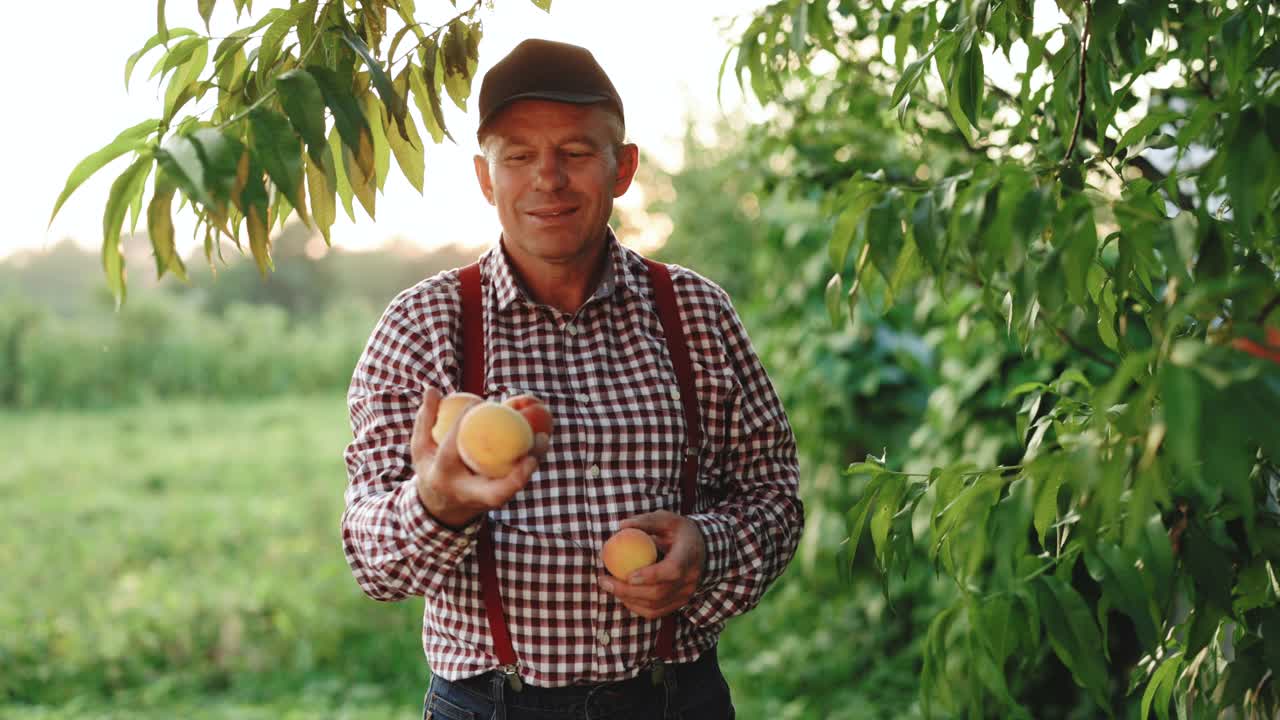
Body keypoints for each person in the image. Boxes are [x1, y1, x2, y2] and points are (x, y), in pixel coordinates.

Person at [341, 38, 803, 719]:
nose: (548, 179)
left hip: (677, 699)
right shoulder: (423, 325)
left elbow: (776, 496)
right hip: (492, 704)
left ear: (623, 167)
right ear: (484, 176)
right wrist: (438, 502)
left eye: (576, 153)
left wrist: (709, 545)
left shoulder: (696, 313)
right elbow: (370, 558)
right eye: (519, 156)